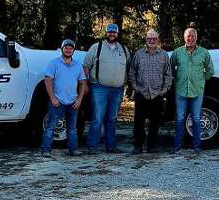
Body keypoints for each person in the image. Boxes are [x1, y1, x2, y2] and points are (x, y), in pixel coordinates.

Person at [84, 23, 130, 153]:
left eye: (114, 32)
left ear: (117, 33)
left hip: (117, 90)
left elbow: (129, 67)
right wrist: (85, 83)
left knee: (111, 119)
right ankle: (92, 147)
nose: (112, 34)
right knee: (98, 118)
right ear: (106, 33)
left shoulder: (123, 49)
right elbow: (86, 66)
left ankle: (111, 146)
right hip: (99, 88)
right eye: (109, 31)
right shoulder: (96, 47)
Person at [127, 29, 172, 154]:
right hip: (142, 93)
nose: (151, 41)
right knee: (138, 122)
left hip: (157, 94)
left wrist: (164, 90)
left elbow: (168, 74)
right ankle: (138, 146)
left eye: (154, 38)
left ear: (157, 40)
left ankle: (152, 146)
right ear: (146, 40)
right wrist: (136, 88)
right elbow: (132, 72)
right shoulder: (138, 54)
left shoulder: (163, 55)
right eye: (149, 38)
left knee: (155, 122)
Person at [170, 26, 214, 154]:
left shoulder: (204, 53)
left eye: (193, 36)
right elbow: (171, 69)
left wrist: (201, 80)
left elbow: (210, 70)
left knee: (196, 118)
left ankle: (196, 146)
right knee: (179, 118)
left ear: (196, 38)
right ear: (184, 38)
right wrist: (176, 80)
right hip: (181, 90)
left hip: (197, 91)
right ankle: (177, 147)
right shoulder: (177, 52)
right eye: (188, 36)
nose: (190, 38)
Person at [41, 39, 87, 157]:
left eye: (70, 48)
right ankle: (46, 150)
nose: (68, 50)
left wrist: (79, 100)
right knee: (51, 127)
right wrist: (52, 98)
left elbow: (83, 82)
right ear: (62, 49)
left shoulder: (77, 65)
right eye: (66, 48)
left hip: (73, 102)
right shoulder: (54, 63)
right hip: (57, 102)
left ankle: (73, 150)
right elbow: (48, 80)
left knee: (72, 129)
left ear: (73, 50)